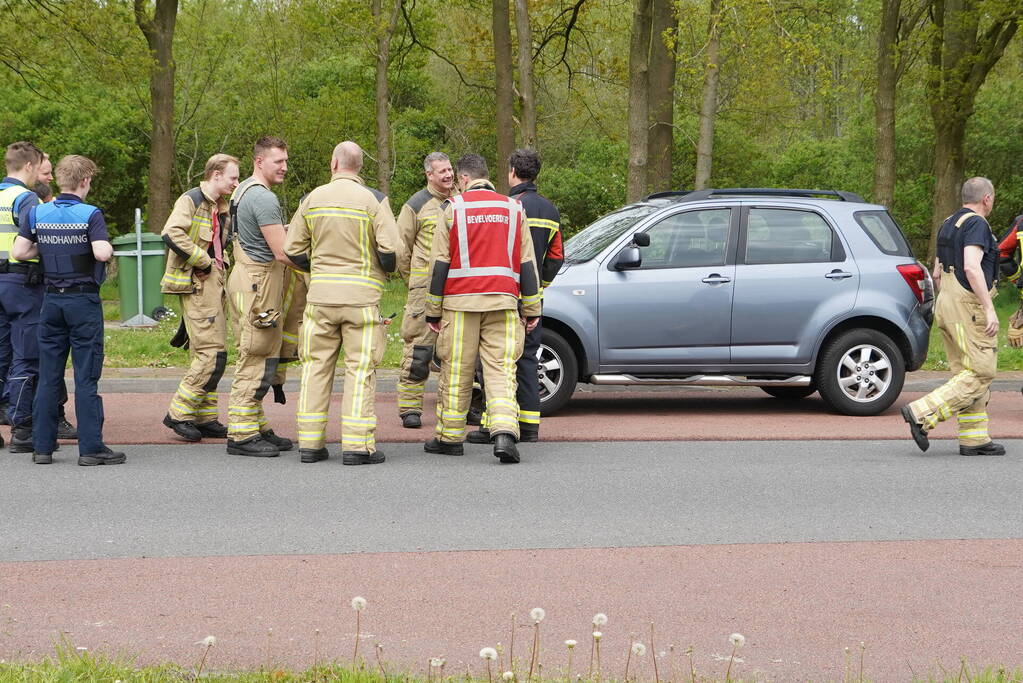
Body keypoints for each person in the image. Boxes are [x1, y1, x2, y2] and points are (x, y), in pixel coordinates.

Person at [284, 141, 399, 464]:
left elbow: (292, 251)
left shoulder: (311, 199)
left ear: (334, 163)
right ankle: (357, 446)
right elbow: (391, 252)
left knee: (315, 368)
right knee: (359, 370)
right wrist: (380, 269)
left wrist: (319, 269)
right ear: (359, 166)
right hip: (361, 299)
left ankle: (310, 444)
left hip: (320, 298)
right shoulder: (374, 200)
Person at [423, 154, 542, 464]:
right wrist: (531, 308)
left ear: (463, 179)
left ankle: (450, 438)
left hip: (461, 305)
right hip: (502, 303)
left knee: (457, 370)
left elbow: (439, 265)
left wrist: (433, 311)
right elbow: (527, 263)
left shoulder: (452, 209)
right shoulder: (514, 208)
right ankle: (503, 433)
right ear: (488, 176)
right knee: (502, 369)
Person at [13, 155, 124, 465]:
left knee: (48, 375)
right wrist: (100, 246)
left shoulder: (37, 212)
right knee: (86, 378)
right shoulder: (90, 214)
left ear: (58, 180)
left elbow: (20, 251)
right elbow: (101, 253)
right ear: (85, 181)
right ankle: (91, 449)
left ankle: (42, 448)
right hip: (82, 302)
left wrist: (46, 248)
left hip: (51, 302)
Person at [902, 177, 1004, 456]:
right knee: (983, 370)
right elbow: (972, 267)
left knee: (965, 373)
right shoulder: (977, 224)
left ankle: (974, 439)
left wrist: (945, 303)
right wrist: (988, 307)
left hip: (946, 300)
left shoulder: (948, 223)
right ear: (987, 199)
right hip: (967, 306)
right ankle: (921, 413)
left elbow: (936, 272)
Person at [468, 148, 563, 444]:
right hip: (534, 297)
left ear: (511, 172)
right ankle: (530, 426)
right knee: (528, 358)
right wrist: (540, 287)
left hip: (506, 294)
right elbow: (557, 257)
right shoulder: (550, 210)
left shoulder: (507, 206)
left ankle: (491, 426)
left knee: (496, 361)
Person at [160, 154, 240, 441]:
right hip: (196, 284)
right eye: (233, 177)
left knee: (208, 351)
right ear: (216, 175)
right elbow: (171, 232)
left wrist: (220, 266)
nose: (236, 183)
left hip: (214, 282)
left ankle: (205, 417)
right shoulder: (191, 199)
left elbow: (220, 242)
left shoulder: (220, 206)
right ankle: (179, 413)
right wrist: (203, 261)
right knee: (212, 353)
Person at [223, 136, 294, 457]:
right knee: (256, 355)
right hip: (259, 284)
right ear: (259, 161)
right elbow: (283, 252)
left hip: (244, 280)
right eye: (278, 161)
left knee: (259, 352)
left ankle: (257, 424)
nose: (284, 167)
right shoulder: (264, 199)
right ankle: (241, 432)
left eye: (285, 161)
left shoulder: (241, 192)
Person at [395, 152, 455, 429]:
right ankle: (410, 408)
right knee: (419, 351)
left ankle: (457, 407)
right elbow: (400, 248)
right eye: (441, 171)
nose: (448, 175)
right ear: (429, 175)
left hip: (456, 288)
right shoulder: (416, 205)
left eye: (450, 169)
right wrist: (415, 280)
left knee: (456, 351)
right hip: (423, 289)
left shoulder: (461, 200)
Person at [0, 142, 44, 451]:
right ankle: (22, 428)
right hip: (21, 284)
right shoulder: (26, 198)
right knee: (25, 355)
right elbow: (40, 236)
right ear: (29, 166)